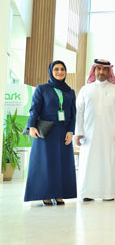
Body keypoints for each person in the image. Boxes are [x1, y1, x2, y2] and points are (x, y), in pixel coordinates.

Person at [24, 60, 77, 206]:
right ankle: (45, 194)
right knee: (46, 163)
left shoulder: (70, 91)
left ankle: (59, 194)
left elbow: (73, 113)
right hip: (46, 131)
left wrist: (71, 131)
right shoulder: (42, 89)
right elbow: (34, 109)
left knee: (62, 163)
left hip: (63, 132)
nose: (59, 72)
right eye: (56, 69)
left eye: (62, 69)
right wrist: (31, 127)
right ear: (51, 72)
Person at [75, 59, 115, 202]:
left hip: (109, 134)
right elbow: (78, 112)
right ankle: (87, 193)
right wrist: (78, 133)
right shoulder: (85, 89)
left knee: (108, 161)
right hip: (89, 134)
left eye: (105, 69)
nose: (101, 72)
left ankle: (108, 193)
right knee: (89, 162)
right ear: (94, 70)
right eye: (98, 69)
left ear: (109, 71)